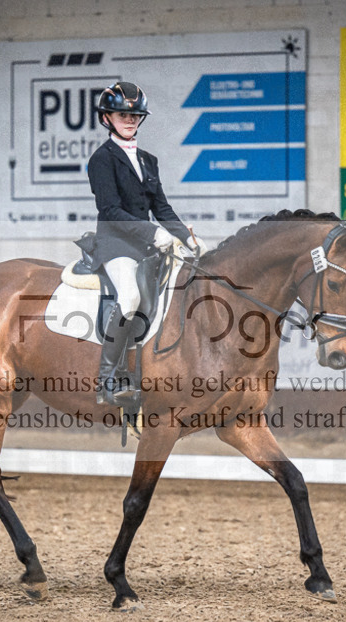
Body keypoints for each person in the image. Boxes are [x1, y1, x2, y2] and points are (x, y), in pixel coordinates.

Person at [87, 81, 206, 406]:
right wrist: (152, 233)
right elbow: (110, 211)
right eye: (122, 115)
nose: (130, 120)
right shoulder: (102, 159)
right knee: (130, 296)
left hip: (148, 247)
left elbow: (162, 208)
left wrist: (188, 238)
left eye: (135, 116)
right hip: (116, 244)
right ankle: (108, 379)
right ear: (107, 118)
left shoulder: (148, 160)